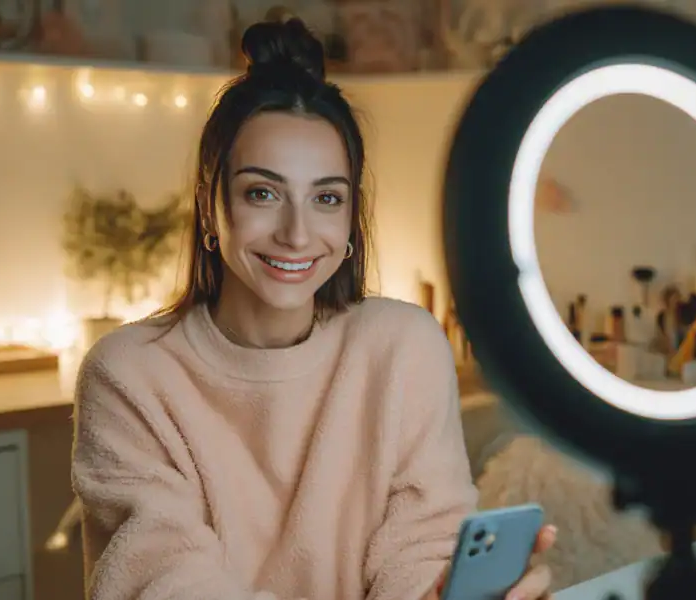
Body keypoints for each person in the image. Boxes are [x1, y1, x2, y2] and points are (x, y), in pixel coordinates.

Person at [71, 17, 556, 600]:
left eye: (326, 197)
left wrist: (443, 592)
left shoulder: (403, 347)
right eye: (263, 193)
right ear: (209, 206)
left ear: (351, 218)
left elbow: (420, 544)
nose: (297, 234)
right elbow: (163, 577)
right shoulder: (129, 373)